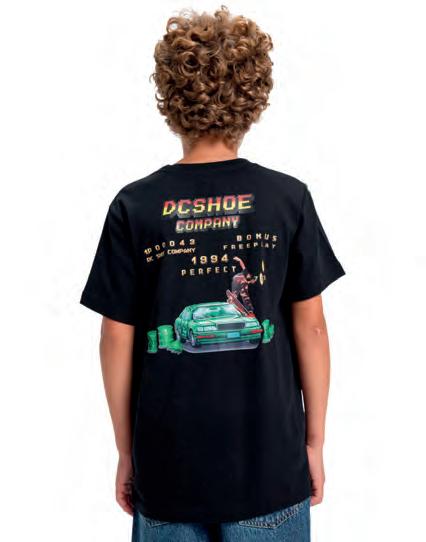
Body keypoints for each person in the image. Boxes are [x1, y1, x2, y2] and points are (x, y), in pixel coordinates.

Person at [80, 6, 345, 542]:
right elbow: (312, 328)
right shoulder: (286, 199)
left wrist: (126, 451)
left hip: (167, 470)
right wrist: (314, 443)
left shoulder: (135, 206)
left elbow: (115, 336)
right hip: (270, 467)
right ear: (253, 98)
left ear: (170, 97)